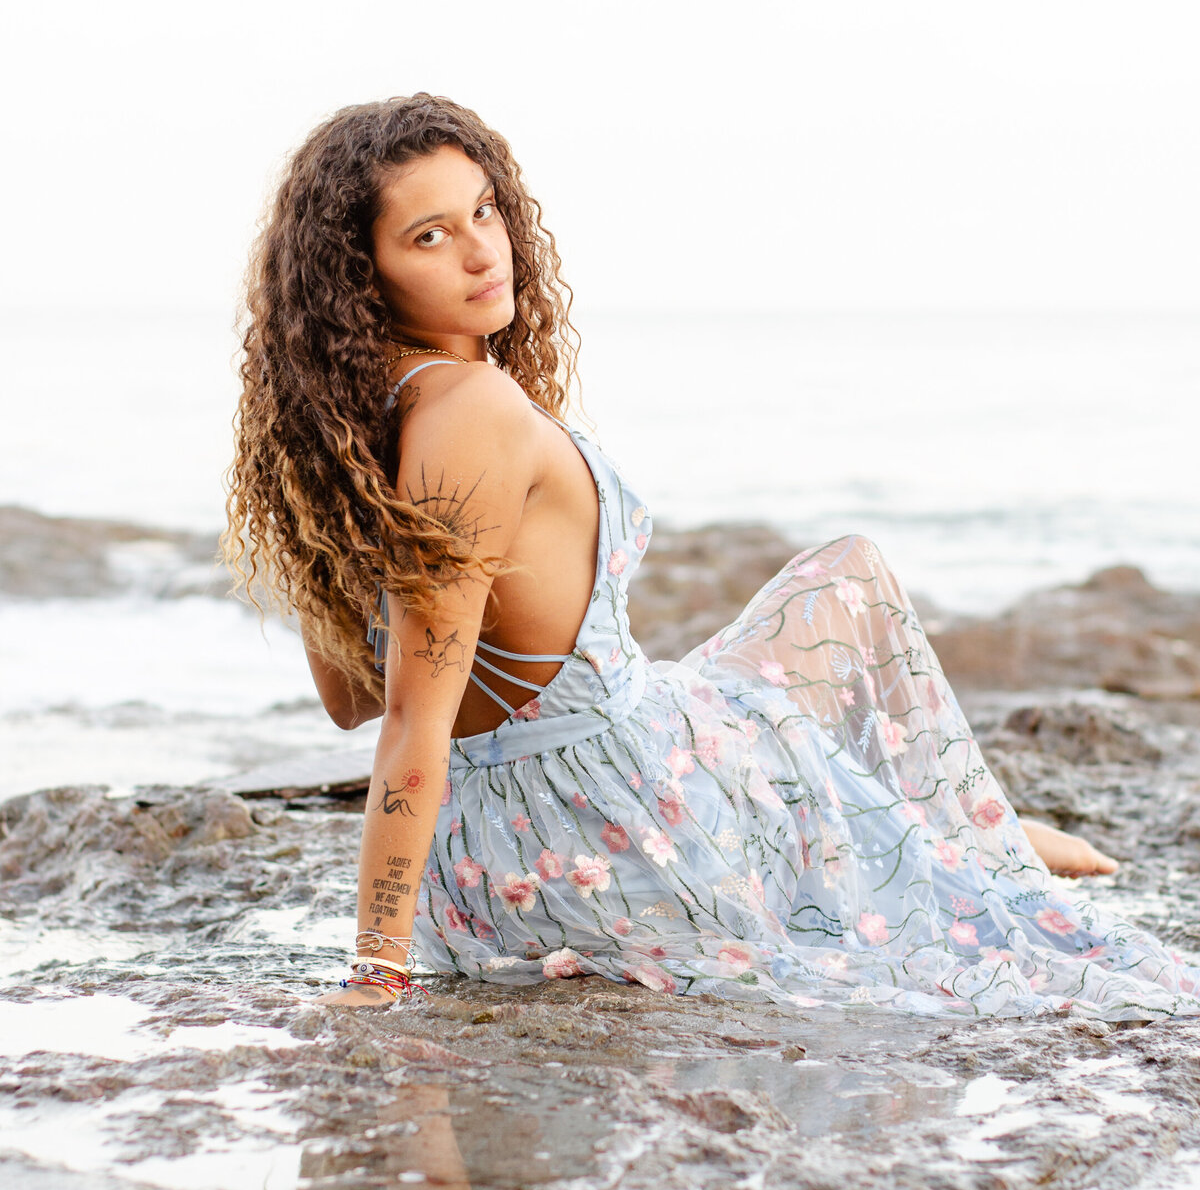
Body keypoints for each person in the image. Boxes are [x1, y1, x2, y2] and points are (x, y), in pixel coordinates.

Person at [225, 94, 1197, 1021]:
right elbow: (403, 720)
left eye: (484, 210)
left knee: (817, 604)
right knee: (837, 594)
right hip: (618, 831)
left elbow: (350, 697)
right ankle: (960, 835)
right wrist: (375, 970)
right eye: (429, 235)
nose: (484, 250)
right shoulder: (473, 411)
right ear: (363, 277)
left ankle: (942, 825)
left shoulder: (371, 433)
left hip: (492, 859)